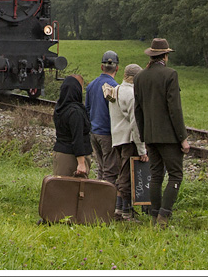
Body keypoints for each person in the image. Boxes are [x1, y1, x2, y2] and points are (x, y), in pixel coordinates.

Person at [133, 38, 189, 227]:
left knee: (156, 175)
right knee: (175, 175)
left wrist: (143, 135)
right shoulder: (170, 74)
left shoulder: (140, 77)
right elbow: (175, 109)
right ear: (165, 56)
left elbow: (138, 110)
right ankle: (164, 216)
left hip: (149, 135)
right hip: (169, 136)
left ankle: (154, 215)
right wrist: (183, 138)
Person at [104, 63, 147, 221]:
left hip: (117, 138)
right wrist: (142, 150)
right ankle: (126, 212)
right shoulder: (132, 94)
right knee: (127, 176)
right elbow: (135, 124)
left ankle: (118, 208)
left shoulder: (116, 90)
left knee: (122, 173)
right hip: (129, 140)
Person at [84, 50, 120, 184]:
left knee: (101, 167)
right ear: (117, 68)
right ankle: (106, 201)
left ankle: (97, 197)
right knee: (110, 170)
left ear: (101, 67)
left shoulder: (91, 85)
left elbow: (87, 109)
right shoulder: (115, 87)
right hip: (107, 133)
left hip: (94, 132)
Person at [51, 74, 91, 177]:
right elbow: (78, 138)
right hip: (71, 158)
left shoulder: (60, 109)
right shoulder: (75, 112)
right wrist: (81, 163)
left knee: (61, 188)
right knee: (73, 190)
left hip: (60, 153)